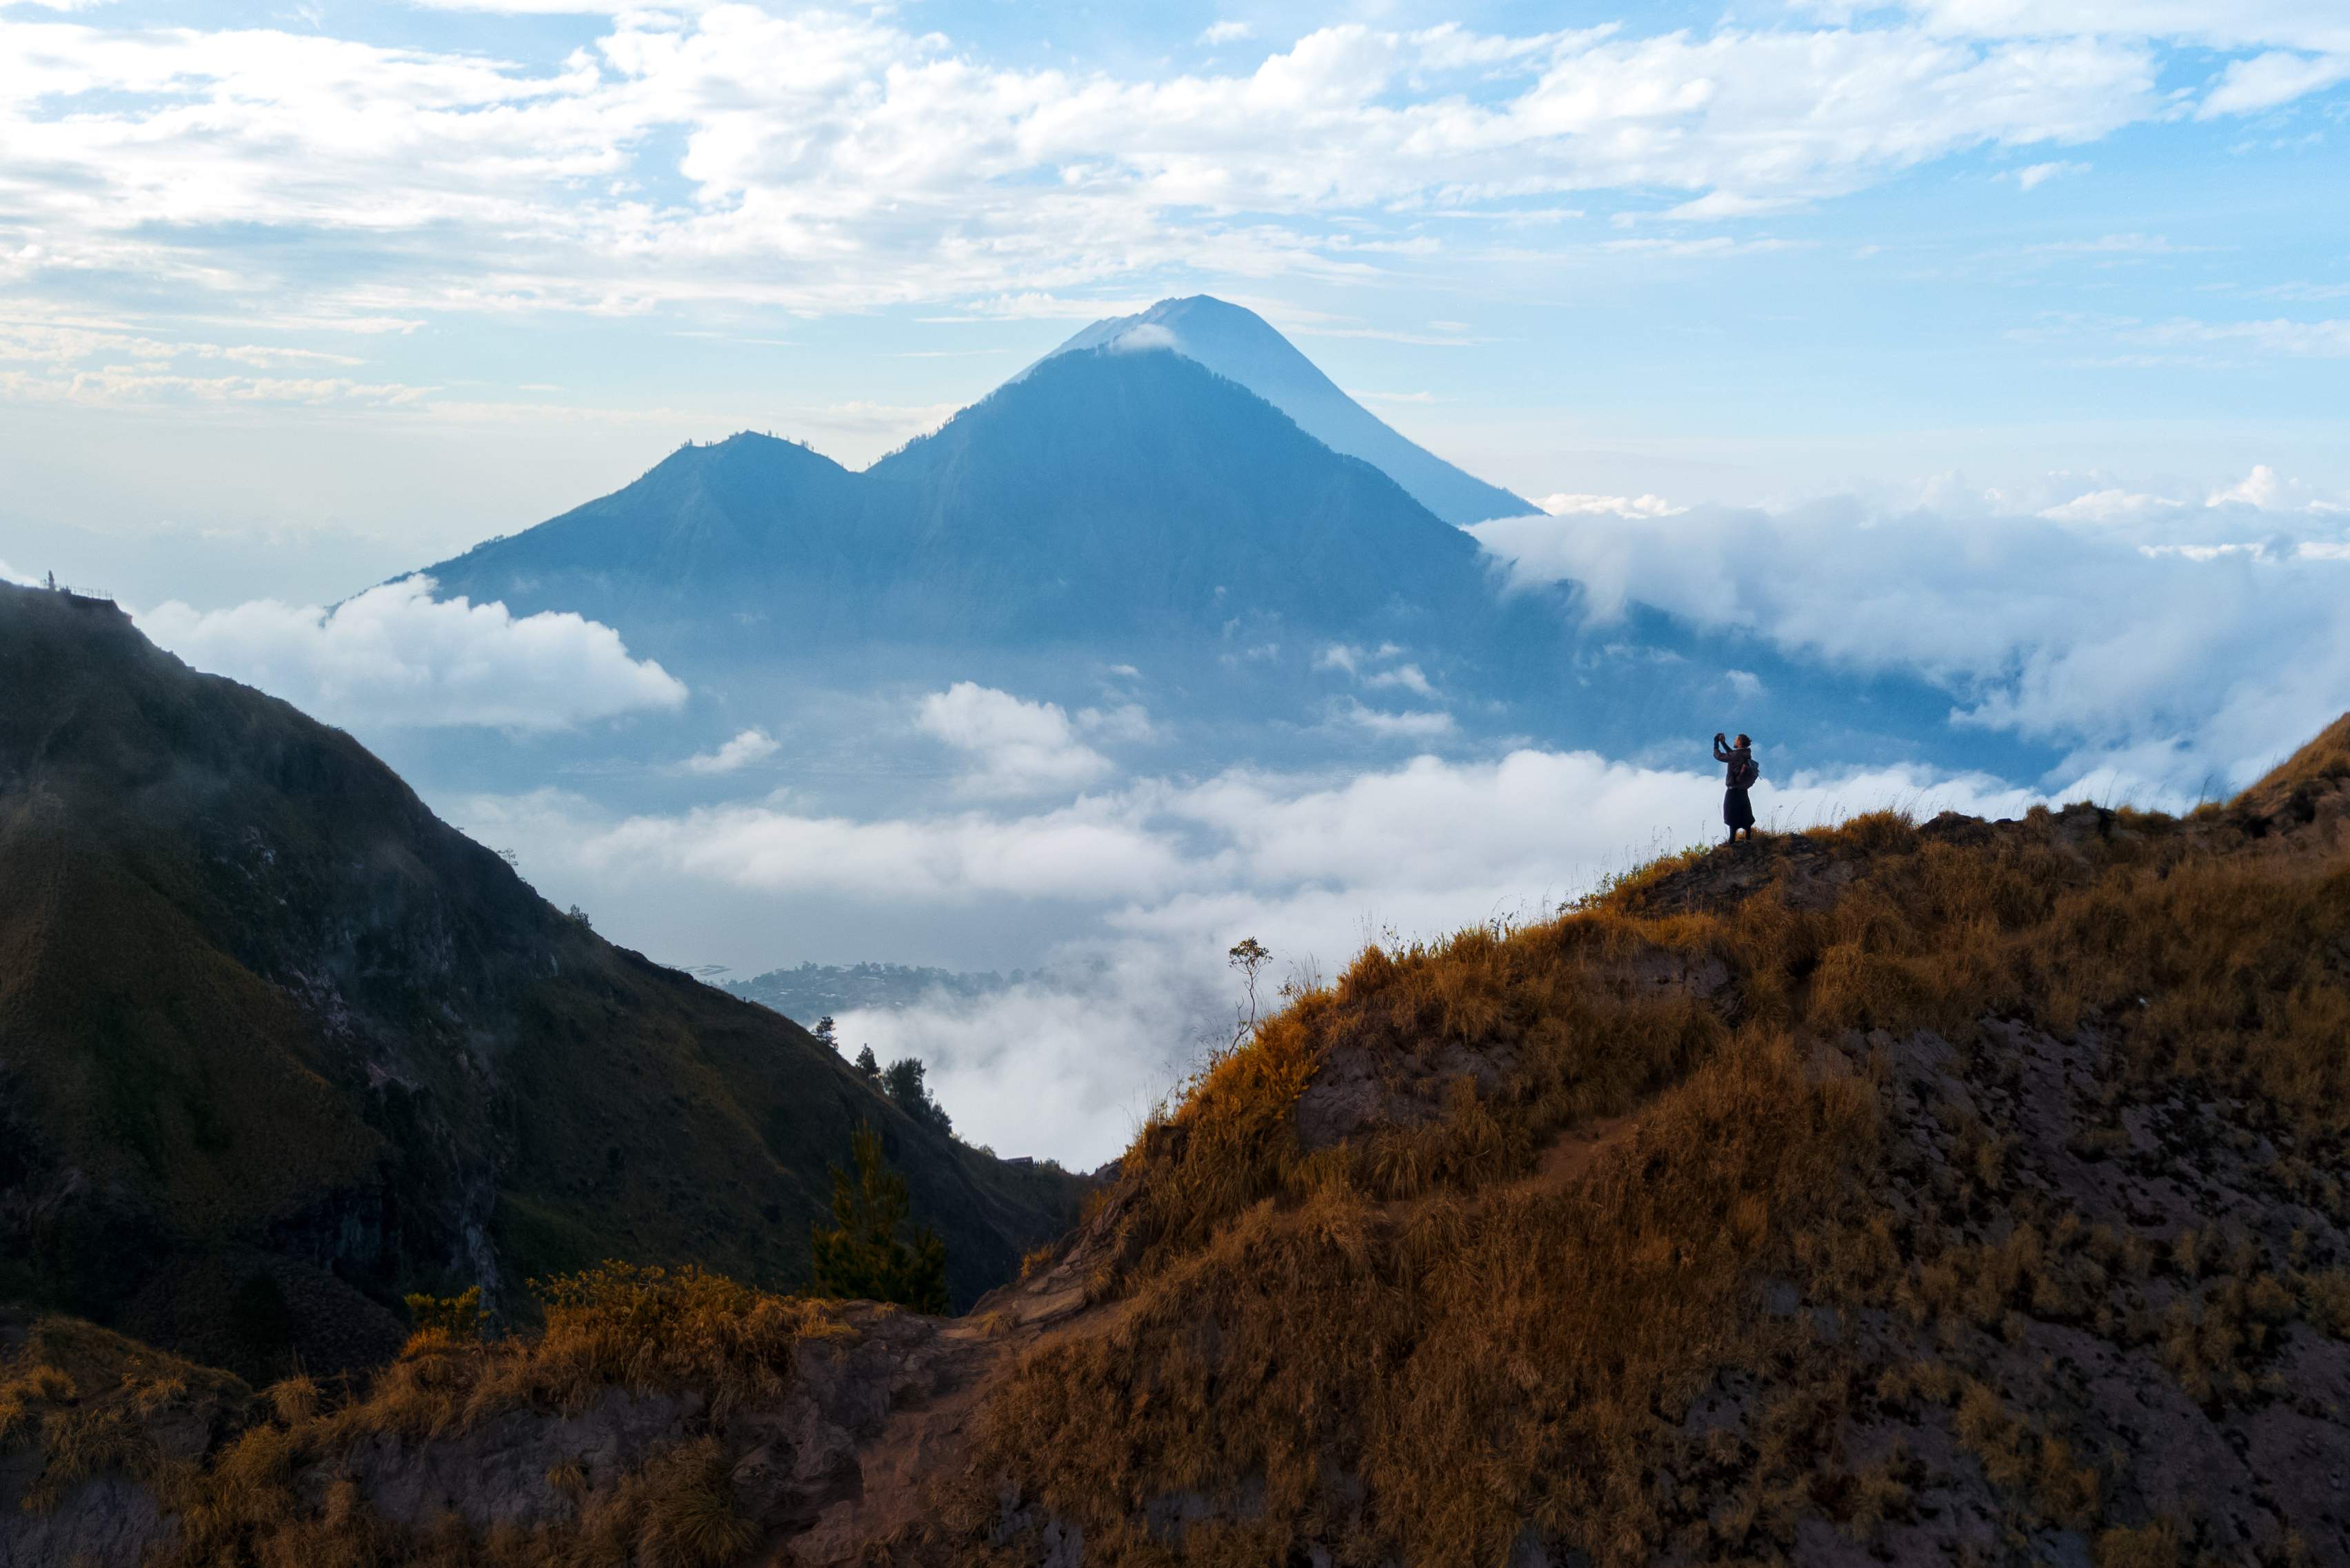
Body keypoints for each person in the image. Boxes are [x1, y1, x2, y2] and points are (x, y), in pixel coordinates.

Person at [1714, 732, 1759, 845]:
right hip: (1743, 789)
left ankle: (1732, 840)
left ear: (1739, 742)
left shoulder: (1736, 755)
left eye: (1736, 739)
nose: (1734, 741)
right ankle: (1748, 837)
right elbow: (1733, 754)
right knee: (1745, 811)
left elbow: (1719, 756)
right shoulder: (1745, 753)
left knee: (1731, 813)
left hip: (1733, 789)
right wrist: (1723, 743)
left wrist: (1716, 742)